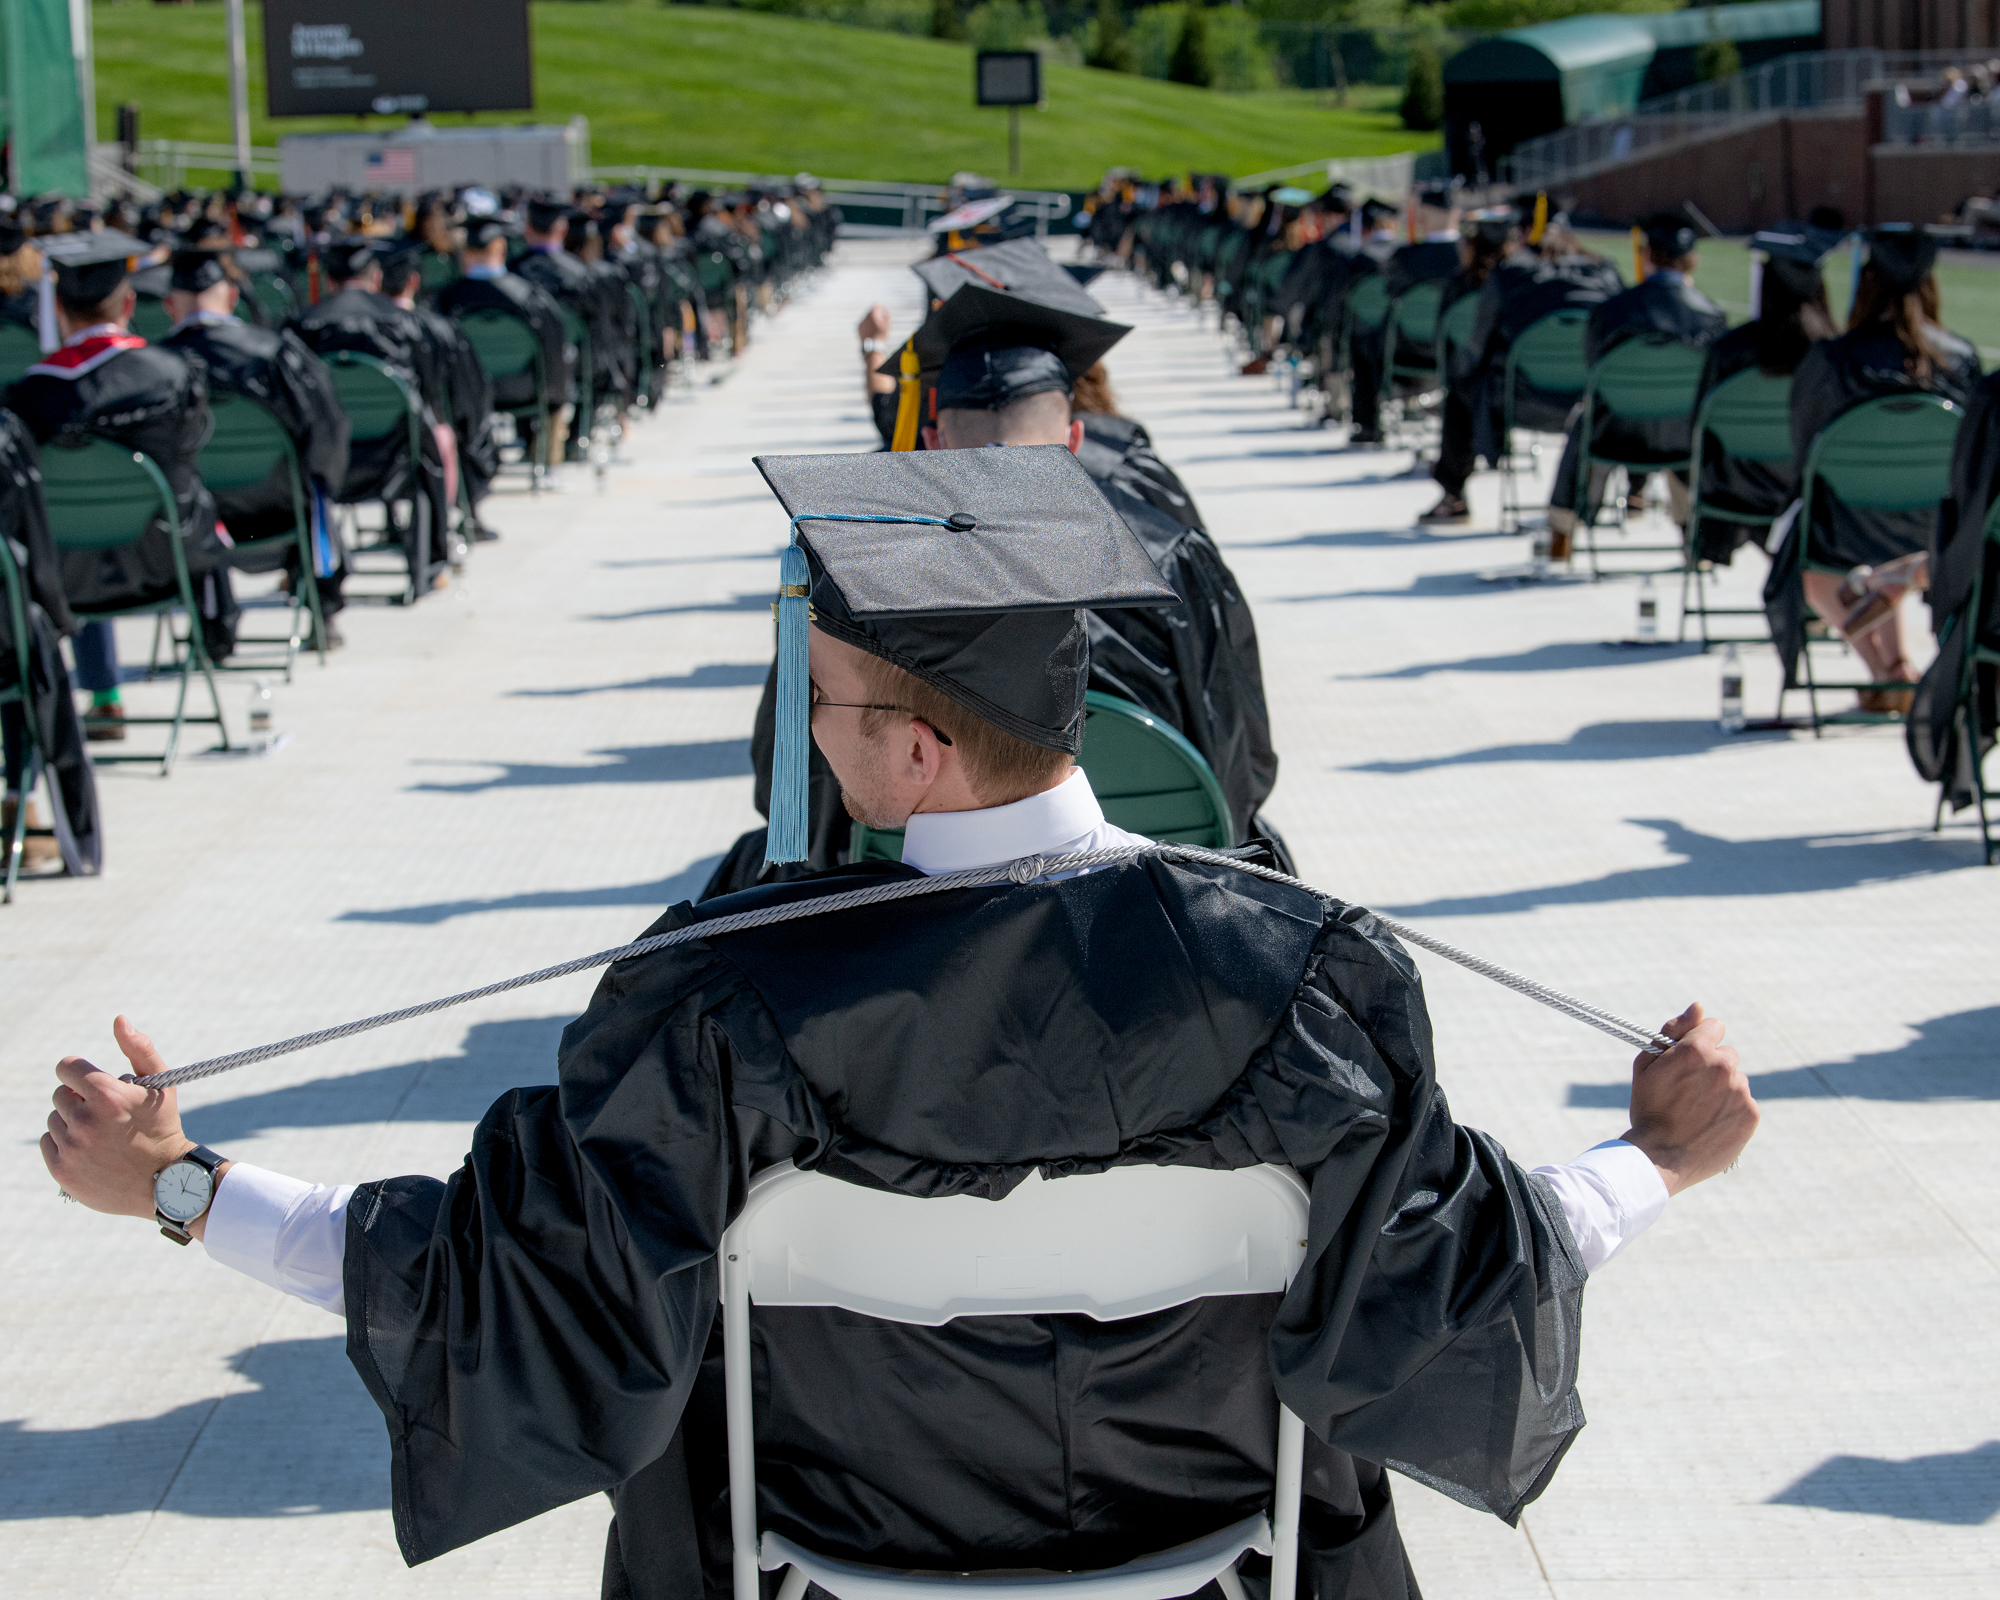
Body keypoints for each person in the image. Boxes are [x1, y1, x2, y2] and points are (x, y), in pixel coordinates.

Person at [40, 446, 1760, 1600]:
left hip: (823, 1542)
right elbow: (1459, 1269)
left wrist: (178, 1190)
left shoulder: (721, 996)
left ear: (917, 752)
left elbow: (500, 1279)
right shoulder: (1304, 976)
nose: (818, 739)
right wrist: (1653, 1161)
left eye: (835, 706)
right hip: (1227, 1543)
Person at [712, 281, 1282, 892]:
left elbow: (792, 800)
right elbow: (1242, 768)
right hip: (1150, 891)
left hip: (896, 912)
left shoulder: (859, 565)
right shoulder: (1169, 554)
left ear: (930, 444)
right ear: (1076, 440)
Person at [4, 230, 235, 741]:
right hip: (165, 563)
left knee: (73, 521)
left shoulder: (28, 396)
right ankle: (212, 637)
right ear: (129, 302)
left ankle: (105, 696)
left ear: (57, 307)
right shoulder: (171, 374)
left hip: (59, 579)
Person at [1766, 225, 1981, 712]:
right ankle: (1898, 663)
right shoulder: (1960, 362)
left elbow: (1806, 461)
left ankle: (1884, 668)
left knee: (1812, 567)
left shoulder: (1830, 360)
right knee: (1893, 554)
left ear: (1865, 285)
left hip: (1845, 527)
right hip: (1935, 533)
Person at [162, 243, 353, 643]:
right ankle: (324, 611)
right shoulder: (276, 353)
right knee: (314, 487)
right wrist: (321, 480)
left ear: (168, 305)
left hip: (193, 519)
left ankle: (212, 631)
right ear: (232, 297)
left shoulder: (154, 370)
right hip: (281, 507)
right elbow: (326, 430)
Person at [1545, 212, 1727, 543]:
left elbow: (1594, 374)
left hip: (1615, 434)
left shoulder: (1612, 311)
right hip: (1682, 438)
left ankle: (1563, 533)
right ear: (1692, 261)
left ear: (1645, 255)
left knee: (1587, 417)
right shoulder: (1711, 317)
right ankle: (1698, 539)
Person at [289, 237, 456, 593]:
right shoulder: (402, 322)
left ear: (329, 281)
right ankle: (431, 562)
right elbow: (429, 393)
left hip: (326, 463)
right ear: (376, 278)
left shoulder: (304, 326)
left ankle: (303, 569)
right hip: (395, 455)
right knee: (430, 435)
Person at [1685, 223, 1841, 566]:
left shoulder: (1729, 350)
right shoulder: (1836, 358)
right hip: (1813, 492)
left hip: (1734, 490)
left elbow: (1698, 429)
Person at [436, 216, 577, 474]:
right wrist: (555, 393)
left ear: (465, 253)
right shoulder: (529, 297)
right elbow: (554, 351)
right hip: (524, 388)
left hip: (469, 394)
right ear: (502, 248)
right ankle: (548, 455)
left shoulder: (447, 300)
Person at [378, 242, 501, 537]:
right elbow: (469, 396)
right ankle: (466, 511)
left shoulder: (348, 331)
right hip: (423, 445)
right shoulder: (437, 330)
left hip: (360, 450)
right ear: (414, 281)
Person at [1418, 208, 1519, 525]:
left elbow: (1443, 338)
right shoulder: (1521, 283)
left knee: (1460, 394)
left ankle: (1454, 495)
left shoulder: (1459, 286)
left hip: (1480, 386)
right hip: (1521, 384)